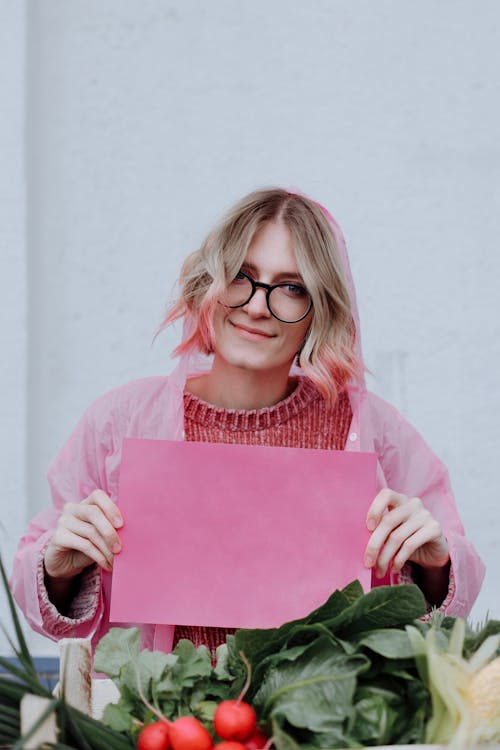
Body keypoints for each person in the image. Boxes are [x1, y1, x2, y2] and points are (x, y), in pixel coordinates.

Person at [10, 187, 485, 657]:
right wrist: (59, 571)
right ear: (209, 282)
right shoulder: (119, 423)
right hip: (162, 724)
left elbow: (441, 606)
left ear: (320, 309)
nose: (257, 305)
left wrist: (436, 566)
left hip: (315, 729)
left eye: (292, 287)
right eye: (241, 275)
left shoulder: (373, 429)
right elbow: (42, 593)